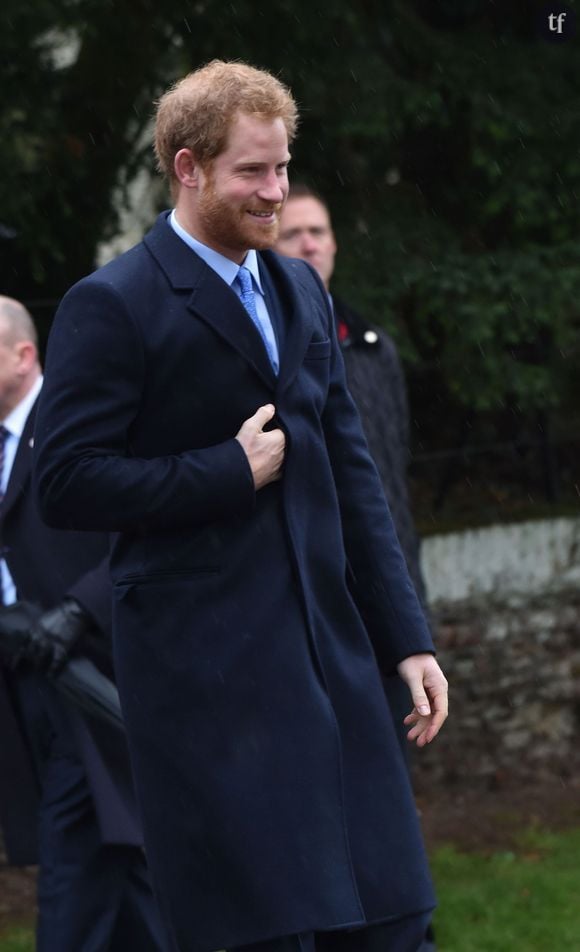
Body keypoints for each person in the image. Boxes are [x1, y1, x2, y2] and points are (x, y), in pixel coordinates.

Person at [33, 60, 448, 952]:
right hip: (208, 689)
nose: (276, 193)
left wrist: (405, 637)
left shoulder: (300, 289)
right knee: (266, 938)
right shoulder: (111, 304)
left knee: (397, 924)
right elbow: (65, 482)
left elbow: (351, 471)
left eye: (285, 167)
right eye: (253, 172)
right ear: (188, 168)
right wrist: (225, 471)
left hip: (332, 671)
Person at [275, 188, 437, 952]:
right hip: (313, 612)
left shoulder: (371, 346)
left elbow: (388, 485)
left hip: (388, 603)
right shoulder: (274, 348)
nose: (310, 243)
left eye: (320, 230)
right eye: (294, 232)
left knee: (387, 809)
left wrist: (411, 617)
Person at [0, 296, 166, 951]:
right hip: (26, 696)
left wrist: (77, 611)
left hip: (98, 684)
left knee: (73, 890)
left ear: (23, 355)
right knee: (128, 889)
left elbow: (143, 528)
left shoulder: (77, 421)